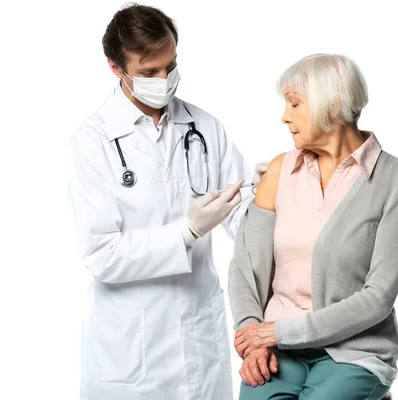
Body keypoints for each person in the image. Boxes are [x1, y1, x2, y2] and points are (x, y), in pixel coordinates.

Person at [67, 4, 266, 399]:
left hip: (199, 337)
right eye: (149, 72)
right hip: (130, 349)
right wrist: (187, 231)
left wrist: (269, 197)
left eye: (170, 66)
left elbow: (243, 216)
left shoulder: (204, 126)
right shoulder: (92, 142)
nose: (164, 80)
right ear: (115, 68)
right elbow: (102, 254)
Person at [228, 54, 398, 400]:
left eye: (294, 104)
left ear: (334, 105)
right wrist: (252, 339)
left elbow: (378, 298)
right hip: (276, 350)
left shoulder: (397, 181)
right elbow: (246, 270)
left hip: (355, 352)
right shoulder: (279, 171)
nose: (284, 117)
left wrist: (279, 333)